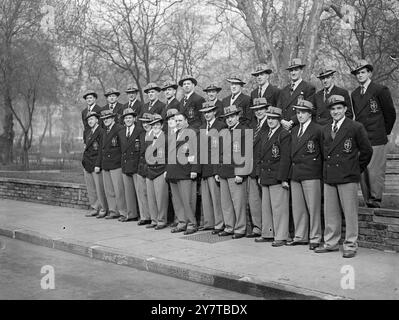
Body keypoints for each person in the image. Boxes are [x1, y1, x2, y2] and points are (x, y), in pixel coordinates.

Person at [315, 95, 372, 258]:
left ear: (345, 109)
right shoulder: (325, 129)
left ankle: (350, 245)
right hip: (330, 176)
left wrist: (355, 168)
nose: (336, 111)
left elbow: (367, 151)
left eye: (339, 108)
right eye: (332, 109)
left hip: (348, 176)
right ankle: (331, 243)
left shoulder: (355, 127)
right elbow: (324, 153)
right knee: (330, 213)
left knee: (350, 212)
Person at [350, 59, 397, 208]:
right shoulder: (355, 94)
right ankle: (367, 200)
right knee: (363, 171)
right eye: (357, 73)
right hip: (362, 137)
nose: (360, 75)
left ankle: (376, 200)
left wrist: (383, 132)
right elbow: (357, 116)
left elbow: (390, 114)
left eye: (363, 72)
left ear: (369, 73)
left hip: (377, 136)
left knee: (375, 171)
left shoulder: (380, 89)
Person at [287, 99, 323, 250]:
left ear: (310, 114)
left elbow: (323, 153)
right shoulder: (295, 130)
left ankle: (315, 237)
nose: (299, 115)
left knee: (313, 207)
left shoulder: (318, 129)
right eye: (298, 112)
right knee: (298, 207)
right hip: (296, 173)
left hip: (311, 173)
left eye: (303, 112)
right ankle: (300, 236)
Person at [256, 107, 291, 246]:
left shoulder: (284, 134)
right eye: (269, 118)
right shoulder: (265, 134)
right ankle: (268, 233)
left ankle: (281, 236)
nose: (270, 121)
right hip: (265, 175)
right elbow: (260, 156)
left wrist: (283, 178)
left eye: (274, 118)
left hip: (277, 176)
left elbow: (285, 158)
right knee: (266, 207)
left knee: (279, 208)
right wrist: (259, 174)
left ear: (279, 120)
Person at [216, 105, 252, 239]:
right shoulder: (224, 132)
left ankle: (240, 228)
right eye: (227, 118)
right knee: (226, 203)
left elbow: (246, 153)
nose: (229, 120)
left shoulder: (244, 130)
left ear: (237, 117)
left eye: (232, 116)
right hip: (224, 171)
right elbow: (219, 153)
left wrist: (241, 173)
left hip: (236, 172)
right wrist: (217, 171)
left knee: (238, 202)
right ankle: (229, 226)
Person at [166, 113, 201, 235]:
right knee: (177, 200)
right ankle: (182, 222)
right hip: (173, 171)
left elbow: (197, 152)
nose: (178, 122)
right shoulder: (174, 134)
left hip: (186, 170)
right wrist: (167, 170)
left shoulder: (193, 132)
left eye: (180, 120)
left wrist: (195, 169)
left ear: (186, 121)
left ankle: (192, 223)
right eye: (176, 120)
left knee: (188, 199)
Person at [198, 101, 226, 232]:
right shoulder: (202, 127)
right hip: (204, 167)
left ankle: (220, 224)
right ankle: (209, 223)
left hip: (215, 166)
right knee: (206, 198)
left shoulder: (221, 126)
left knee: (216, 198)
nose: (207, 114)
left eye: (209, 111)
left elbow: (221, 149)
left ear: (214, 112)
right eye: (205, 112)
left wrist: (217, 169)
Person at [96, 109, 127, 220]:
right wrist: (98, 164)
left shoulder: (119, 128)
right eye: (104, 119)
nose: (106, 120)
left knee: (119, 190)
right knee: (109, 190)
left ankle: (123, 212)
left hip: (116, 163)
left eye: (108, 118)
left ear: (113, 118)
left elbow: (124, 148)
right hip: (106, 164)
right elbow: (101, 149)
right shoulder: (104, 131)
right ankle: (113, 211)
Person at [246, 97, 270, 238]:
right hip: (253, 167)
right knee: (254, 199)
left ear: (266, 109)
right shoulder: (253, 125)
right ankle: (257, 226)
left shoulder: (272, 123)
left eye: (261, 109)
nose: (259, 112)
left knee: (267, 200)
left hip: (266, 167)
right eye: (256, 110)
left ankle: (268, 228)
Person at [81, 111, 108, 218]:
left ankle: (103, 208)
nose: (90, 121)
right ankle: (94, 207)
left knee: (99, 188)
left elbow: (101, 150)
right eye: (88, 120)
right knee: (91, 188)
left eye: (92, 119)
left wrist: (98, 164)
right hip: (87, 163)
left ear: (97, 120)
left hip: (96, 163)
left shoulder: (101, 131)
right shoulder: (87, 132)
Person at [145, 114, 169, 230]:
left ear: (162, 125)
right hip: (150, 171)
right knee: (151, 197)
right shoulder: (148, 138)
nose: (155, 126)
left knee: (161, 198)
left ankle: (161, 220)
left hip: (160, 170)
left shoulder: (167, 138)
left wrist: (167, 170)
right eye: (153, 124)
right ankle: (154, 220)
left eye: (157, 124)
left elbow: (170, 155)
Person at [278, 58, 316, 131]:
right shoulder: (284, 90)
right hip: (283, 128)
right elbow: (279, 108)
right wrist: (282, 121)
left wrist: (291, 122)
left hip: (298, 127)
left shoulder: (308, 88)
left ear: (301, 71)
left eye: (296, 70)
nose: (293, 73)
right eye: (291, 70)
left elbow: (309, 109)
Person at [118, 108, 142, 222]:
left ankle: (143, 215)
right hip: (125, 164)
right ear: (123, 120)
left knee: (139, 192)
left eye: (130, 117)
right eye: (126, 118)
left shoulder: (140, 131)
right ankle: (131, 214)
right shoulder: (121, 132)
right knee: (128, 193)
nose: (128, 119)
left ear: (134, 118)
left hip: (136, 165)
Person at [135, 113, 153, 226]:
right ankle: (145, 216)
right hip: (141, 167)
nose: (145, 124)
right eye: (143, 122)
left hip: (151, 167)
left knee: (150, 193)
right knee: (142, 193)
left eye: (148, 122)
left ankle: (152, 217)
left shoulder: (155, 134)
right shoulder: (142, 134)